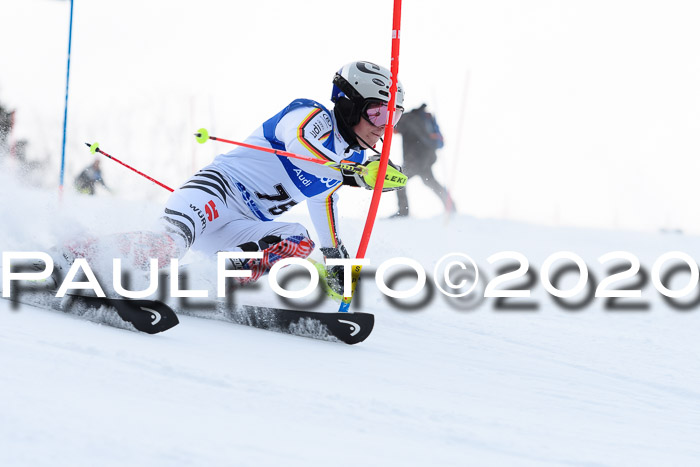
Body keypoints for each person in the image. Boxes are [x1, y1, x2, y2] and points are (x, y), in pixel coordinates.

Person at [392, 104, 454, 217]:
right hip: (426, 158)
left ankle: (403, 212)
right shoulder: (420, 119)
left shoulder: (406, 119)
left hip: (415, 159)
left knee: (399, 179)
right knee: (429, 181)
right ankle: (451, 206)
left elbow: (394, 129)